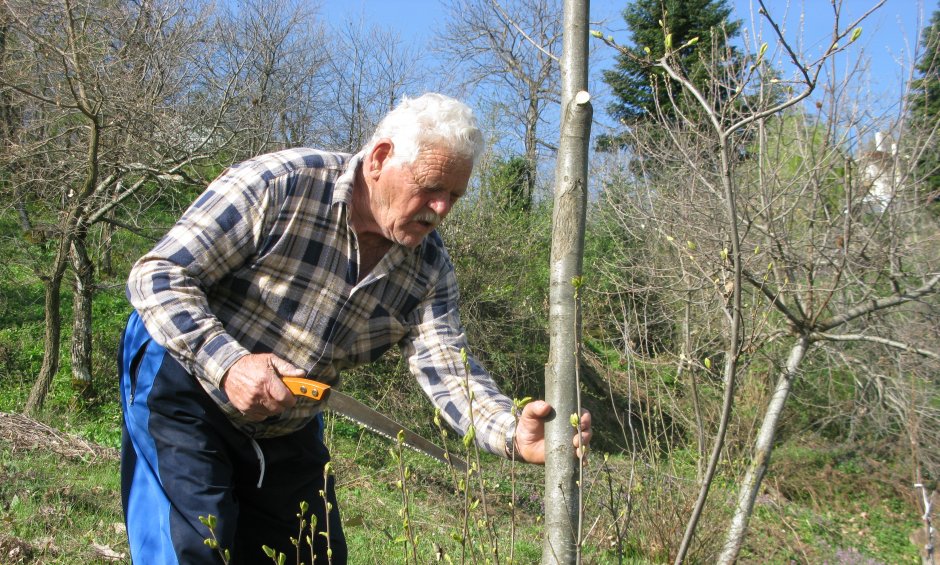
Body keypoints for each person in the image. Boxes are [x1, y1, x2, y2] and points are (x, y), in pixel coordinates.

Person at [119, 93, 592, 564]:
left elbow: (447, 367)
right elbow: (159, 275)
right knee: (193, 551)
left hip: (290, 414)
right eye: (431, 188)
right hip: (185, 383)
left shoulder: (428, 269)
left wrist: (513, 432)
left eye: (454, 196)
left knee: (314, 555)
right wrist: (230, 364)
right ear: (381, 158)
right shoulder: (281, 184)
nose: (442, 208)